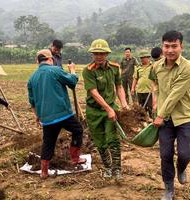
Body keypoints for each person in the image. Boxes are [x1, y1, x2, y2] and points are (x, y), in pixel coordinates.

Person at [150, 31, 190, 200]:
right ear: (162, 47)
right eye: (167, 46)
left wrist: (160, 114)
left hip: (184, 117)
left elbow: (175, 94)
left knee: (185, 154)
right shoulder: (156, 67)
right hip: (165, 120)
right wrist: (156, 105)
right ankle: (168, 188)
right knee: (165, 155)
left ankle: (182, 167)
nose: (170, 50)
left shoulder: (188, 67)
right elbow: (158, 88)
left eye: (174, 46)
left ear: (181, 47)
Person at [27, 49, 86, 179]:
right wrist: (72, 70)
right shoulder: (55, 70)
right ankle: (75, 158)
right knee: (78, 130)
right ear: (51, 59)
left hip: (47, 118)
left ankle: (44, 171)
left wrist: (37, 116)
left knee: (48, 142)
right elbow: (72, 82)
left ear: (37, 61)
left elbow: (32, 102)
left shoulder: (32, 78)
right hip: (63, 114)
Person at [82, 39, 128, 179]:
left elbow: (119, 86)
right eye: (96, 53)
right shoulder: (88, 71)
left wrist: (124, 104)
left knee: (113, 138)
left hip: (111, 109)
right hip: (94, 111)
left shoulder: (114, 67)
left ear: (107, 54)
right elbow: (94, 92)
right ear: (92, 54)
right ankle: (108, 167)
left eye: (102, 53)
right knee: (100, 141)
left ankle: (117, 169)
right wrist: (107, 108)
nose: (99, 56)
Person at [131, 50, 153, 117]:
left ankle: (152, 120)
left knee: (150, 107)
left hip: (150, 91)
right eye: (141, 58)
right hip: (140, 91)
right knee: (141, 108)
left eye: (144, 57)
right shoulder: (138, 67)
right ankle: (144, 121)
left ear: (148, 58)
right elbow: (135, 78)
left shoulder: (153, 66)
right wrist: (132, 88)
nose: (142, 59)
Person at [149, 47, 163, 117]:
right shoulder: (154, 67)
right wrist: (154, 101)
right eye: (155, 61)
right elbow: (153, 84)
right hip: (160, 93)